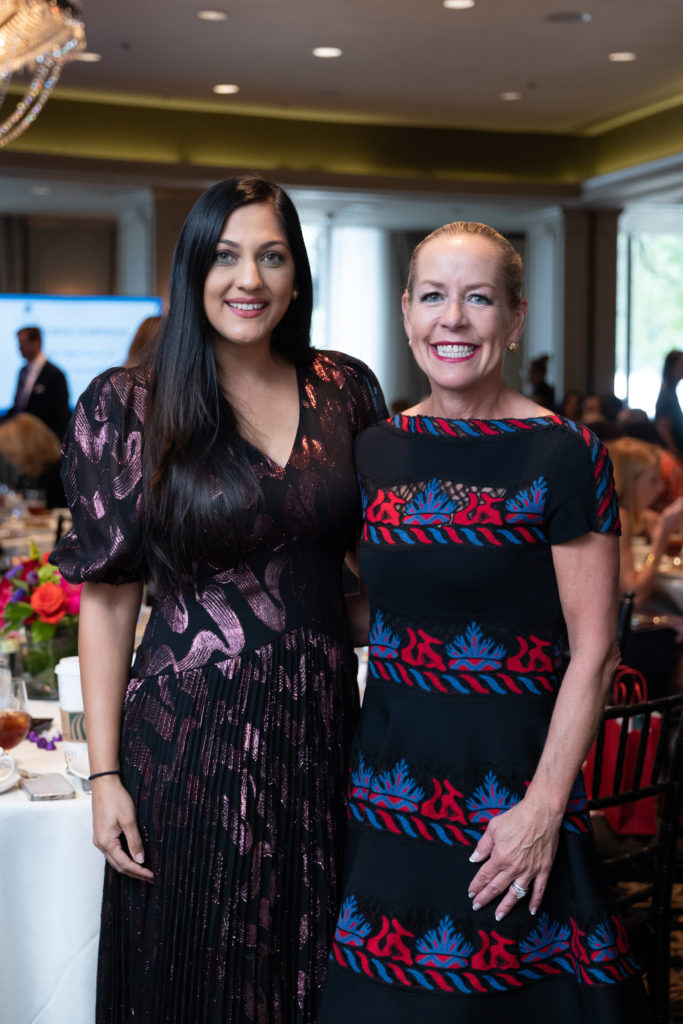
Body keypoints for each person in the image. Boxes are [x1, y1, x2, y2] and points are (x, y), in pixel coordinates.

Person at [50, 176, 386, 1024]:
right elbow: (110, 602)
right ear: (194, 268)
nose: (250, 279)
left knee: (310, 964)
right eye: (227, 255)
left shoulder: (345, 390)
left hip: (318, 734)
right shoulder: (127, 404)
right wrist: (104, 774)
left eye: (272, 256)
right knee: (195, 971)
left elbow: (370, 565)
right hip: (186, 738)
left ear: (297, 275)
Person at [318, 221, 652, 1022]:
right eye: (433, 297)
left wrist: (541, 808)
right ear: (405, 313)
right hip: (389, 787)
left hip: (512, 788)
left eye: (477, 299)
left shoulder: (564, 454)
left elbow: (595, 649)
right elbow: (384, 612)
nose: (453, 319)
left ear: (514, 316)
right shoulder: (373, 452)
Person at [609, 436, 683, 696]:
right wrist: (662, 536)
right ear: (631, 480)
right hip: (620, 643)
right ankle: (655, 728)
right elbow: (634, 596)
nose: (660, 486)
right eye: (652, 480)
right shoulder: (620, 516)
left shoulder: (622, 512)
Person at [3, 326, 71, 440]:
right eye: (19, 344)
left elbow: (61, 416)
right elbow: (19, 408)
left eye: (22, 343)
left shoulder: (55, 374)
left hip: (43, 443)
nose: (19, 348)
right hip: (21, 440)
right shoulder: (23, 372)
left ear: (36, 342)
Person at [0, 412, 66, 508]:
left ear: (25, 449)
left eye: (11, 454)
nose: (10, 459)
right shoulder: (28, 476)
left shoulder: (61, 475)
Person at [654, 349, 683, 462]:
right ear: (671, 368)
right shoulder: (666, 395)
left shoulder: (670, 393)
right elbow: (663, 430)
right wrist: (677, 456)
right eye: (680, 365)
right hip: (673, 457)